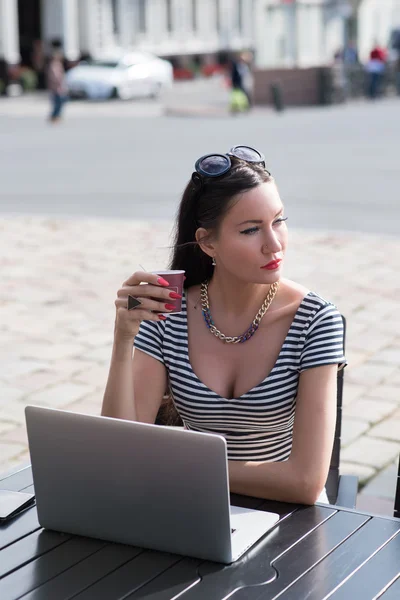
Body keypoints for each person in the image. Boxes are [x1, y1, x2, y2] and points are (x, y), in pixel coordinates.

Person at [102, 146, 346, 505]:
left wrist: (184, 467)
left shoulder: (315, 320)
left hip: (291, 520)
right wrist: (123, 340)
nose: (274, 244)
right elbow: (122, 450)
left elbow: (306, 482)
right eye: (251, 230)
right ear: (207, 242)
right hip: (195, 505)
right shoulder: (168, 313)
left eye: (279, 221)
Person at [46, 40, 68, 123]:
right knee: (58, 102)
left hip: (57, 87)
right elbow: (55, 76)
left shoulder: (56, 63)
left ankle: (56, 116)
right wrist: (59, 82)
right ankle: (54, 117)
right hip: (57, 87)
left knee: (58, 102)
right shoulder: (54, 64)